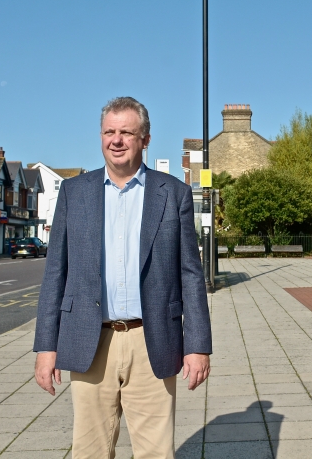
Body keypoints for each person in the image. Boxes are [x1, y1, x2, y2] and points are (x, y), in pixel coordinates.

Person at [34, 97, 212, 459]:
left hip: (153, 339)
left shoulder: (172, 193)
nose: (116, 140)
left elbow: (191, 274)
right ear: (100, 136)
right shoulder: (74, 192)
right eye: (109, 132)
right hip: (89, 338)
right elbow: (56, 273)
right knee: (90, 451)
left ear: (145, 139)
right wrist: (45, 347)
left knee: (156, 453)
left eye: (127, 133)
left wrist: (198, 345)